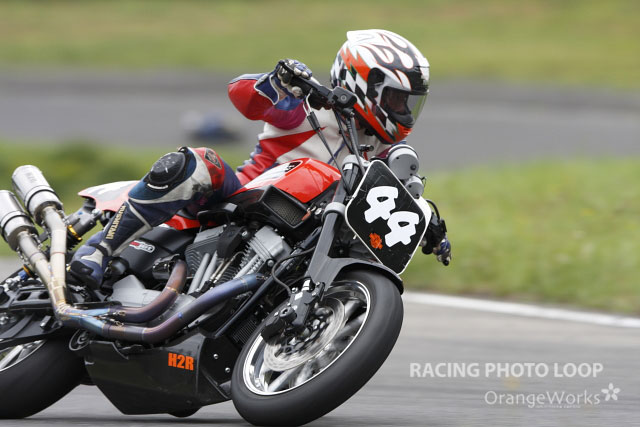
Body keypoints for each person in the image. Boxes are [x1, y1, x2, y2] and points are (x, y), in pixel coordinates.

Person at [70, 29, 452, 287]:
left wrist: (428, 225)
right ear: (362, 83)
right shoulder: (308, 108)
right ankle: (99, 250)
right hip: (241, 199)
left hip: (300, 236)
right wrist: (279, 81)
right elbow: (241, 95)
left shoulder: (383, 155)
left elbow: (397, 199)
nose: (404, 112)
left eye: (409, 103)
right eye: (397, 99)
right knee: (200, 161)